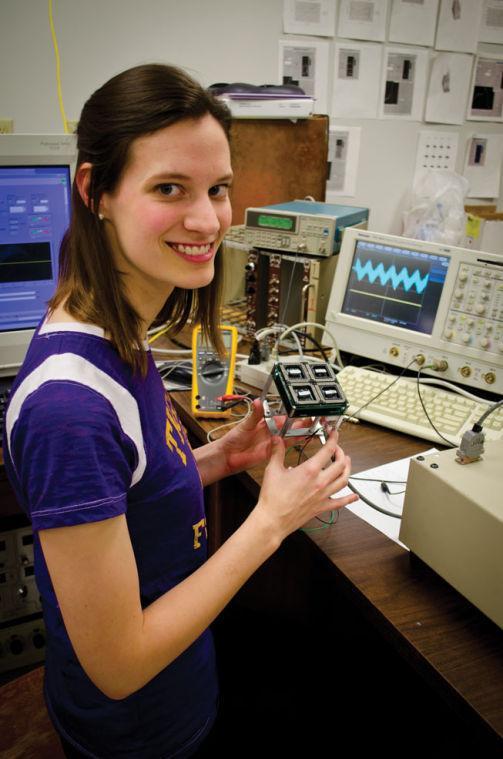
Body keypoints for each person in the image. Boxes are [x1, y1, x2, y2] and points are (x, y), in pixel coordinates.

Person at [3, 63, 357, 758]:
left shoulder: (116, 325)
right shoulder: (67, 411)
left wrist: (220, 457)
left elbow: (130, 492)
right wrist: (269, 522)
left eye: (218, 189)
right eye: (170, 188)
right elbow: (119, 663)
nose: (208, 219)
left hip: (184, 690)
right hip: (137, 734)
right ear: (94, 191)